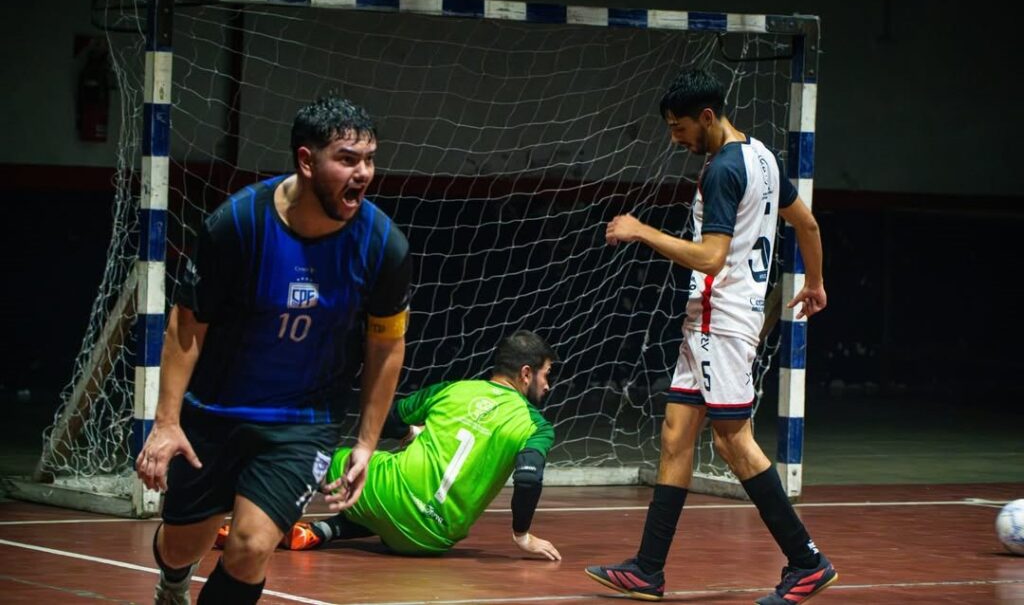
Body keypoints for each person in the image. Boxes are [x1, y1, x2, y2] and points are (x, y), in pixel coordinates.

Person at [135, 94, 412, 605]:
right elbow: (189, 322)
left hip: (302, 421)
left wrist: (367, 443)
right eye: (347, 159)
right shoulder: (237, 224)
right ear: (307, 161)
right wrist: (167, 421)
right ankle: (173, 581)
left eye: (370, 159)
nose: (364, 172)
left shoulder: (383, 245)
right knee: (183, 545)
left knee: (250, 546)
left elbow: (387, 345)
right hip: (214, 412)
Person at [585, 69, 836, 603]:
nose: (674, 138)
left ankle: (806, 562)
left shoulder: (722, 170)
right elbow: (808, 226)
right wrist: (815, 283)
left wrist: (640, 231)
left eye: (678, 128)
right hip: (711, 320)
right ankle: (648, 569)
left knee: (732, 441)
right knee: (677, 435)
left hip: (720, 322)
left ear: (706, 117)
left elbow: (712, 257)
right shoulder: (763, 157)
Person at [217, 330, 561, 561]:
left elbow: (391, 418)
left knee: (318, 456)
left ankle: (250, 517)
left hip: (385, 495)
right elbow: (529, 479)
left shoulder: (452, 390)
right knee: (394, 507)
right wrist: (522, 536)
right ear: (526, 374)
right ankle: (327, 529)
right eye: (547, 375)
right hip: (430, 539)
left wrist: (411, 435)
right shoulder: (536, 426)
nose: (548, 385)